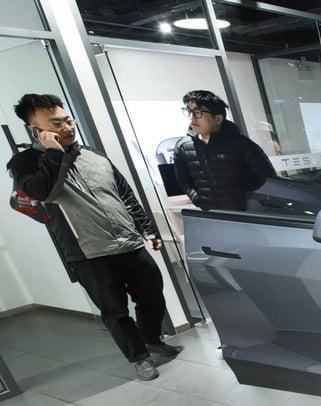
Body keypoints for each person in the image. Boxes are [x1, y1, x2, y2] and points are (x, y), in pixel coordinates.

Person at [7, 93, 181, 381]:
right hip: (88, 253)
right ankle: (139, 358)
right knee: (115, 312)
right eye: (56, 123)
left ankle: (151, 339)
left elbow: (124, 193)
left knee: (152, 297)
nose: (67, 127)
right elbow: (42, 192)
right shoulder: (25, 163)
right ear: (35, 130)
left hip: (128, 243)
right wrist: (53, 153)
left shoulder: (93, 154)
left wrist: (147, 228)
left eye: (67, 120)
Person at [173, 90, 275, 211]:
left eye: (197, 112)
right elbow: (184, 179)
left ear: (218, 118)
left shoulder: (241, 144)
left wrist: (250, 200)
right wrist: (196, 198)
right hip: (212, 214)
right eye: (189, 111)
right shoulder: (183, 147)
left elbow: (268, 178)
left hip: (245, 213)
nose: (192, 118)